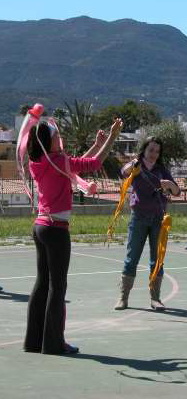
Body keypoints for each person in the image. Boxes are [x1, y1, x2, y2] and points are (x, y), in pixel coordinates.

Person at [24, 117, 122, 355]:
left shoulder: (38, 161)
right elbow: (94, 163)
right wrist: (112, 137)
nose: (61, 138)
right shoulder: (57, 160)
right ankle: (54, 344)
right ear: (49, 142)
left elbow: (70, 165)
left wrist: (95, 144)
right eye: (57, 136)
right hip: (56, 231)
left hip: (40, 227)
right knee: (58, 288)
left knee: (42, 284)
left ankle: (34, 341)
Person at [115, 137, 181, 311]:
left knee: (157, 260)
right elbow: (123, 172)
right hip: (138, 218)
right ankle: (123, 298)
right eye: (151, 150)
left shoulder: (161, 170)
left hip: (159, 219)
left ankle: (155, 298)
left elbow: (177, 192)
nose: (154, 154)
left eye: (157, 151)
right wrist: (133, 164)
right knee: (132, 258)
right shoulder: (136, 166)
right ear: (144, 150)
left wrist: (170, 185)